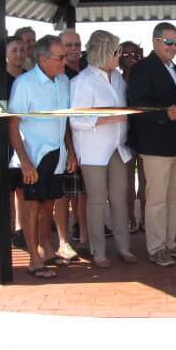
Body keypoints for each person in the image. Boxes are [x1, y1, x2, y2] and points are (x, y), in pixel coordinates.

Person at [128, 22, 176, 267]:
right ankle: (156, 247)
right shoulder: (142, 68)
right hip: (155, 144)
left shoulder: (175, 70)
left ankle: (170, 243)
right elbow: (136, 104)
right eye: (169, 42)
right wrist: (162, 114)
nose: (174, 46)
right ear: (155, 41)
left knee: (174, 197)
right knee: (156, 199)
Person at [8, 35, 76, 279]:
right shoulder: (24, 84)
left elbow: (65, 120)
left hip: (58, 155)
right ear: (43, 59)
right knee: (32, 207)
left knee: (50, 203)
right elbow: (13, 125)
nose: (65, 61)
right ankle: (33, 259)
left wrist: (70, 150)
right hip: (34, 157)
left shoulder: (64, 81)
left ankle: (47, 250)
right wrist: (25, 162)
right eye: (60, 57)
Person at [69, 30, 138, 268]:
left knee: (119, 197)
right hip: (93, 152)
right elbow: (75, 120)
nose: (120, 55)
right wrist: (105, 119)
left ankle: (124, 247)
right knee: (97, 200)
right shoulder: (82, 81)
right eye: (117, 51)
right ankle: (98, 250)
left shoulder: (118, 78)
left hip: (118, 148)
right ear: (104, 53)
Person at [54, 28, 86, 261]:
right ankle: (63, 242)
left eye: (77, 44)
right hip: (65, 144)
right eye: (69, 45)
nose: (74, 49)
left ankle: (84, 237)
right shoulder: (57, 74)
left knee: (84, 193)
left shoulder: (89, 69)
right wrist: (70, 150)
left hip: (89, 143)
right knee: (63, 195)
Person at [4, 36, 29, 250]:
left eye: (22, 50)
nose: (19, 54)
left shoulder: (30, 79)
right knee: (7, 189)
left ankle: (22, 230)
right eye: (15, 50)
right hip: (4, 141)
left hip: (26, 141)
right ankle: (7, 229)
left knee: (23, 189)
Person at [119, 41, 146, 233]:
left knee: (146, 182)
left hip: (145, 136)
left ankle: (145, 219)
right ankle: (130, 220)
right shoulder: (116, 81)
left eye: (134, 54)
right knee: (126, 182)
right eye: (126, 54)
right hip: (123, 138)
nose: (131, 58)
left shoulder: (146, 78)